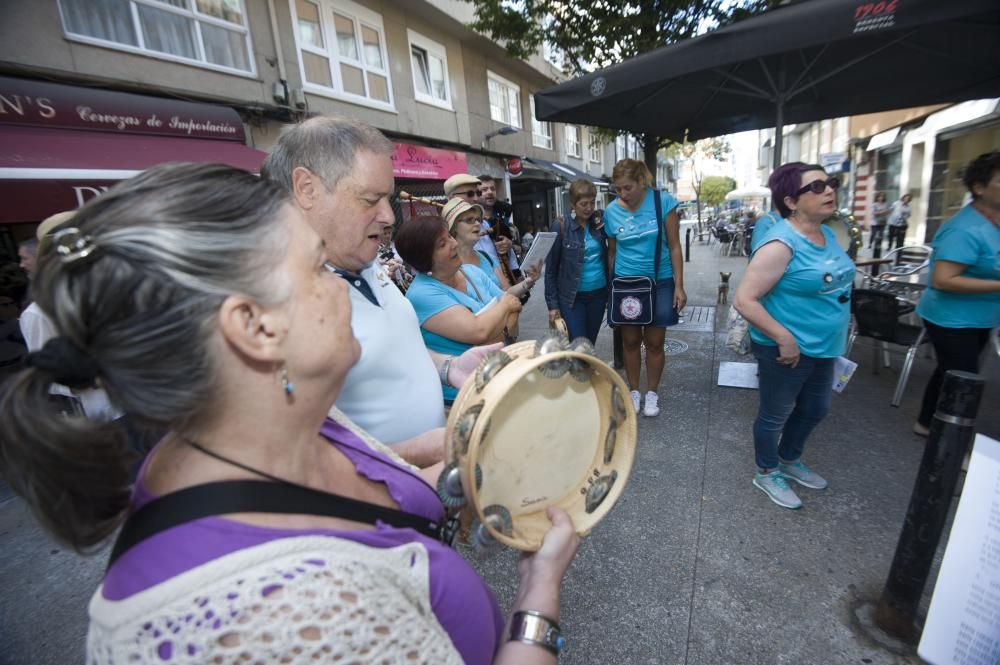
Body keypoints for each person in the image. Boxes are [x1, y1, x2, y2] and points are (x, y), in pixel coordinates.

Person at [0, 163, 580, 663]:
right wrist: (539, 594)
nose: (338, 288)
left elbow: (361, 494)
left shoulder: (259, 425)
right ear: (253, 328)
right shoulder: (286, 614)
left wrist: (467, 449)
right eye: (314, 270)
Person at [262, 116, 493, 464]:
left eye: (386, 198)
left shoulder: (362, 261)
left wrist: (450, 367)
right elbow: (292, 465)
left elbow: (385, 350)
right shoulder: (274, 305)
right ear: (306, 189)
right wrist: (407, 457)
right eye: (371, 199)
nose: (387, 216)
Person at [733, 162, 854, 510]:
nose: (829, 190)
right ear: (790, 200)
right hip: (787, 350)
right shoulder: (780, 244)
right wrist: (783, 337)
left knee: (816, 408)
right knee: (776, 413)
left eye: (830, 183)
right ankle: (767, 471)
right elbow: (745, 299)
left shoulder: (828, 234)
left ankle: (789, 459)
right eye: (816, 187)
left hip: (826, 347)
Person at [396, 215, 535, 405]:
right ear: (425, 258)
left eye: (450, 237)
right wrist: (502, 308)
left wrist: (493, 325)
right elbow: (479, 331)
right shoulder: (422, 293)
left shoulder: (471, 271)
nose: (453, 244)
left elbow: (514, 310)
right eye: (442, 244)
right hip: (461, 397)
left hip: (497, 380)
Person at [913, 151, 1000, 437]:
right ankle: (950, 444)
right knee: (964, 380)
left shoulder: (994, 222)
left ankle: (926, 422)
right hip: (951, 318)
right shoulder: (964, 229)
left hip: (980, 316)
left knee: (949, 372)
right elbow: (943, 280)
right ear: (978, 187)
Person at [604, 159, 686, 417]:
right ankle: (634, 391)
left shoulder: (664, 203)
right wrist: (612, 291)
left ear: (642, 181)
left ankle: (652, 393)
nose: (622, 194)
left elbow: (674, 246)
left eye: (627, 187)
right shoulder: (611, 212)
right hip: (627, 283)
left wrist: (679, 286)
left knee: (654, 342)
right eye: (618, 189)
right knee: (629, 341)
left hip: (660, 281)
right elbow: (612, 253)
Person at [545, 178, 608, 344]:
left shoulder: (598, 224)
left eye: (592, 203)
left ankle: (585, 370)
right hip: (572, 299)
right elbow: (550, 270)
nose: (589, 208)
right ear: (573, 203)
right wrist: (553, 306)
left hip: (599, 295)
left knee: (589, 346)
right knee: (579, 346)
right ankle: (578, 370)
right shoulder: (560, 226)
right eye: (584, 204)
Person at [444, 197, 504, 288]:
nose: (477, 224)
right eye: (469, 220)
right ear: (454, 227)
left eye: (478, 219)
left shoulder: (485, 256)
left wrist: (527, 282)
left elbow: (506, 289)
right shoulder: (447, 265)